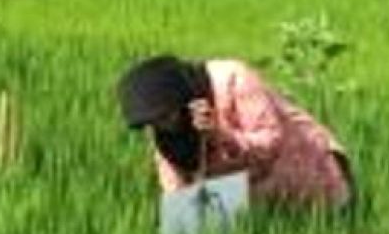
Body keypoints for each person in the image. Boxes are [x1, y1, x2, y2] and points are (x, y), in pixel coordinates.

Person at [118, 56, 355, 209]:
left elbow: (271, 143)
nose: (163, 126)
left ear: (181, 99)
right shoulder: (162, 126)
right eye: (155, 123)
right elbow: (173, 176)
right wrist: (178, 216)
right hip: (252, 201)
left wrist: (218, 133)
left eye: (165, 117)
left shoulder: (234, 79)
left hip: (305, 173)